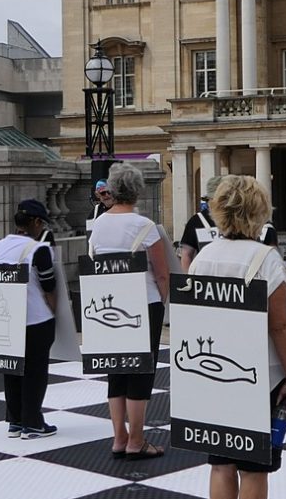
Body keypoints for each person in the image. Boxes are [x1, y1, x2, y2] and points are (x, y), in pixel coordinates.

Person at [191, 175, 286, 499]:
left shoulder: (202, 258)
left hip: (212, 375)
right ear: (258, 212)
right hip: (258, 375)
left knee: (220, 463)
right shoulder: (265, 259)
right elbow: (281, 327)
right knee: (255, 469)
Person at [88, 163, 170, 459]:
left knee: (116, 371)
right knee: (140, 373)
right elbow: (162, 274)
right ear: (136, 191)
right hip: (142, 304)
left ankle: (119, 438)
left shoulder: (98, 224)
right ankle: (137, 440)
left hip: (106, 303)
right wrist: (162, 300)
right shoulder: (144, 227)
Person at [0, 199, 60, 439]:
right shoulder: (38, 250)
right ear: (36, 222)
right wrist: (55, 314)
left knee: (13, 369)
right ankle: (33, 422)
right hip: (36, 319)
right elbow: (49, 287)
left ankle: (15, 420)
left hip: (7, 319)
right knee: (35, 372)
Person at [178, 176, 223, 274]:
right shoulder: (196, 221)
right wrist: (188, 279)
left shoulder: (238, 219)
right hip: (204, 279)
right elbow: (186, 254)